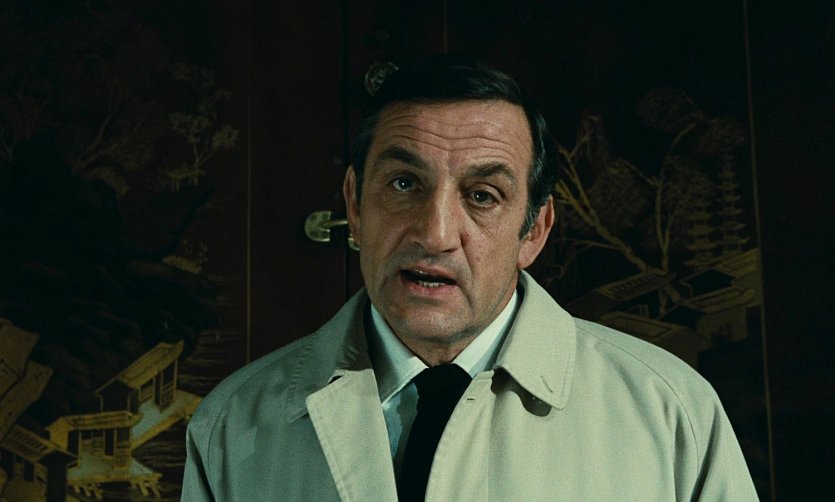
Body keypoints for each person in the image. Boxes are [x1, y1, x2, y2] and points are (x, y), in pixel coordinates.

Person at [181, 54, 758, 501]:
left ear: (534, 231)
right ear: (355, 205)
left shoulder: (668, 412)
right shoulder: (235, 423)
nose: (435, 234)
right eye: (404, 184)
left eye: (483, 196)